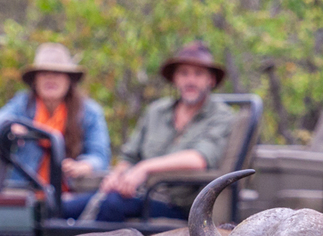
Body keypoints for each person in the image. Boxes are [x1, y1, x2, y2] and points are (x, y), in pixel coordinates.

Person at [62, 40, 237, 223]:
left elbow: (198, 159)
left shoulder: (221, 115)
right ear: (175, 78)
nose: (190, 80)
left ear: (211, 80)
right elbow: (130, 157)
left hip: (182, 204)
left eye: (198, 74)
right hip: (139, 194)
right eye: (184, 74)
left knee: (112, 205)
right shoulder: (156, 111)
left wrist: (145, 168)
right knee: (59, 207)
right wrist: (117, 176)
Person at [0, 42, 110, 189]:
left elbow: (100, 156)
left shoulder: (90, 112)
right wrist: (10, 126)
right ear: (35, 80)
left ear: (69, 80)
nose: (50, 79)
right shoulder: (23, 104)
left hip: (71, 194)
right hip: (24, 191)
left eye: (57, 73)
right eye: (44, 74)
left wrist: (84, 166)